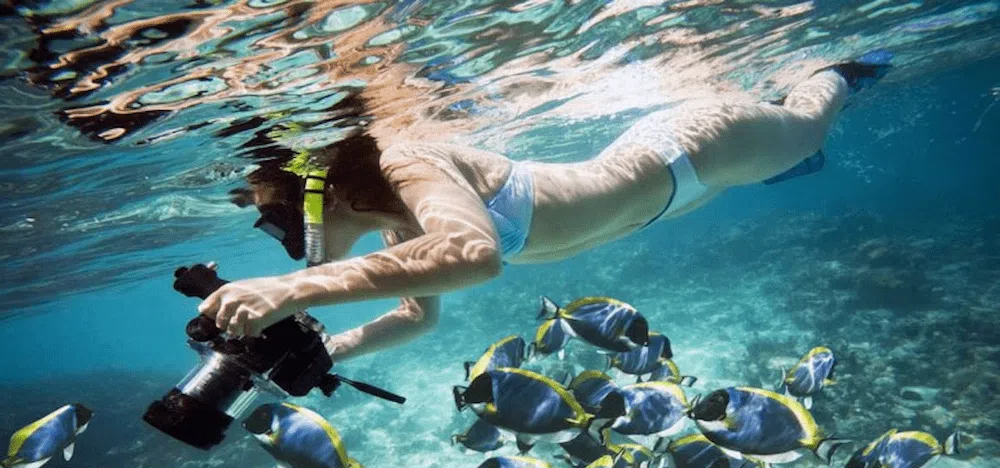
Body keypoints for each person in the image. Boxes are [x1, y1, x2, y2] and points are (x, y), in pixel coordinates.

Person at [199, 52, 893, 362]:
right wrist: (333, 348)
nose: (283, 239)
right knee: (781, 159)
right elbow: (417, 313)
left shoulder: (405, 159)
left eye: (275, 217)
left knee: (806, 126)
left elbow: (474, 255)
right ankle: (790, 159)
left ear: (317, 187)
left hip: (695, 151)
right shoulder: (393, 227)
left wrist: (292, 287)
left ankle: (832, 72)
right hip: (666, 204)